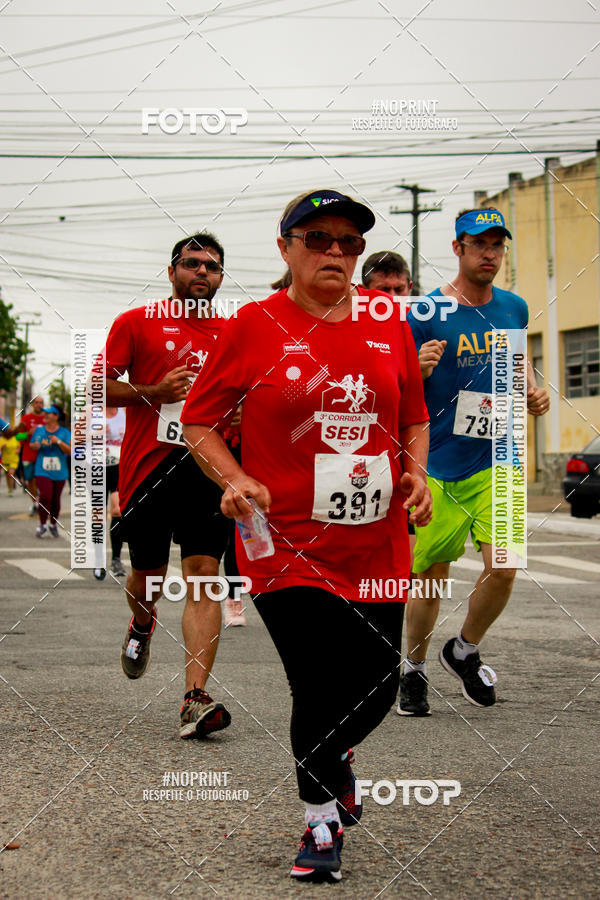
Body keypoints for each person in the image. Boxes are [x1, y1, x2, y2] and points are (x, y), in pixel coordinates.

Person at [181, 189, 431, 884]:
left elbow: (412, 414)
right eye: (316, 238)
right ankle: (319, 820)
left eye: (348, 242)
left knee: (379, 684)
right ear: (285, 246)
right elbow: (198, 421)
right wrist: (234, 477)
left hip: (377, 541)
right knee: (317, 685)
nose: (334, 251)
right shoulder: (253, 324)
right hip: (281, 541)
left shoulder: (387, 320)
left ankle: (334, 755)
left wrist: (417, 473)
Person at [399, 207, 550, 717]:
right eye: (479, 244)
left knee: (505, 566)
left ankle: (462, 648)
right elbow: (398, 389)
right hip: (439, 462)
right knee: (432, 578)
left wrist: (532, 388)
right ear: (458, 249)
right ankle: (413, 669)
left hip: (499, 457)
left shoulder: (515, 306)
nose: (490, 254)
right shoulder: (424, 312)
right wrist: (417, 371)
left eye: (497, 245)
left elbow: (517, 358)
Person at [104, 231, 232, 740]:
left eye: (212, 267)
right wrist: (153, 390)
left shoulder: (235, 330)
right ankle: (141, 623)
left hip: (207, 468)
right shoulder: (137, 323)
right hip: (148, 469)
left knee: (204, 573)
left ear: (221, 277)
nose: (202, 272)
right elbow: (98, 385)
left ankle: (194, 698)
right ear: (173, 271)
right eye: (192, 264)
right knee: (148, 578)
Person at [93, 406, 127, 581]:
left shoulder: (125, 412)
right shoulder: (91, 412)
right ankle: (99, 560)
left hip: (117, 467)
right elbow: (75, 440)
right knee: (98, 515)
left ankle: (116, 559)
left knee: (117, 510)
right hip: (97, 468)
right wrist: (94, 435)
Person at [30, 404, 71, 538]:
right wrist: (37, 444)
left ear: (56, 416)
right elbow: (32, 445)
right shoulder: (40, 430)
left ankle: (53, 524)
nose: (46, 415)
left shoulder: (64, 432)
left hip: (60, 471)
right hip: (42, 469)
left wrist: (57, 442)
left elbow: (70, 451)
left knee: (55, 499)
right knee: (45, 496)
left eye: (49, 413)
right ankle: (42, 525)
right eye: (45, 413)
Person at [17, 396, 45, 515]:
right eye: (36, 402)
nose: (39, 405)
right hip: (28, 456)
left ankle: (43, 503)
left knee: (42, 481)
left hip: (44, 456)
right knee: (30, 481)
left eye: (41, 403)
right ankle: (35, 503)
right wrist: (28, 433)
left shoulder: (47, 418)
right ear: (32, 404)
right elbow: (18, 437)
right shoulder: (26, 418)